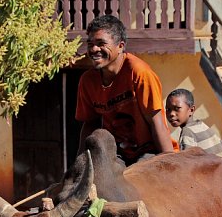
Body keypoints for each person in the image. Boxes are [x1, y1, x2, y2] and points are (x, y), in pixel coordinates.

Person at [76, 14, 177, 164]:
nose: (94, 49)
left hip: (148, 151)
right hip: (117, 154)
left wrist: (170, 163)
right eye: (90, 44)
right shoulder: (88, 81)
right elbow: (90, 123)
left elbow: (156, 122)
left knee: (139, 177)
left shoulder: (140, 73)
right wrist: (79, 164)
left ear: (120, 46)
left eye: (101, 43)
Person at [165, 88, 222, 168]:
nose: (171, 114)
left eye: (177, 108)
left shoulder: (187, 133)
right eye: (168, 109)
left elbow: (186, 165)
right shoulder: (202, 126)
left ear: (191, 110)